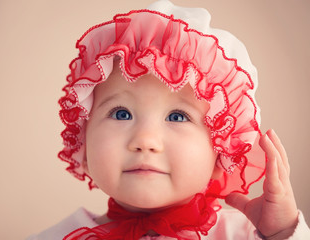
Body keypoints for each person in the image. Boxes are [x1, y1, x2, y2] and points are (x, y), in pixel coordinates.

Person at [27, 0, 310, 239]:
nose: (145, 140)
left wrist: (282, 232)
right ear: (82, 143)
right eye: (121, 113)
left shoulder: (248, 234)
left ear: (221, 152)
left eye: (177, 116)